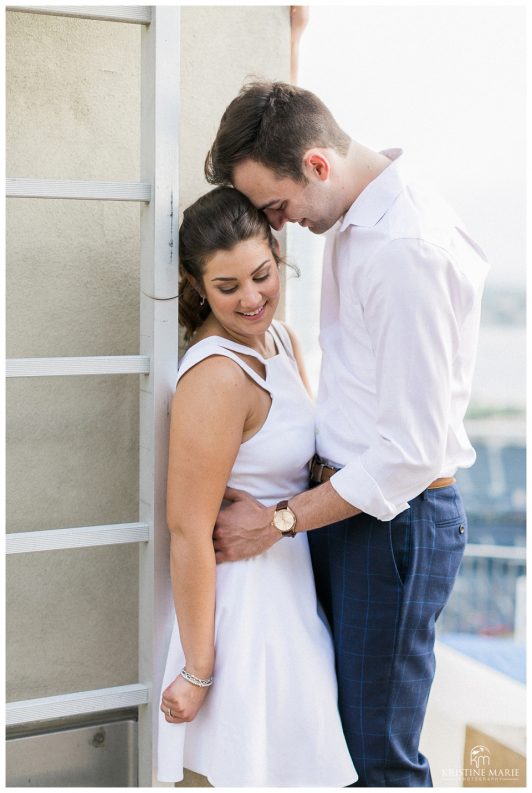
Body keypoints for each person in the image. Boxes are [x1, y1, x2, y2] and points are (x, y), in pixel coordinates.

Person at [205, 81, 490, 787]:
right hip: (344, 514)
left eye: (278, 207)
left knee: (377, 763)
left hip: (392, 527)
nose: (282, 224)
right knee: (334, 751)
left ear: (317, 166)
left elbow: (409, 456)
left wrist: (275, 521)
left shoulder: (404, 249)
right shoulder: (356, 211)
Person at [157, 185, 357, 787]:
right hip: (242, 616)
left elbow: (302, 459)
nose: (251, 298)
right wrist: (198, 670)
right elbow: (188, 529)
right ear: (197, 285)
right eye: (227, 287)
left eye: (261, 275)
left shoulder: (283, 342)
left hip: (291, 593)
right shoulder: (218, 376)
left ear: (276, 250)